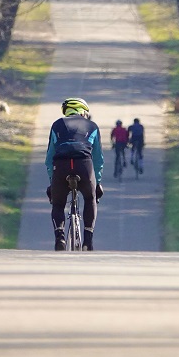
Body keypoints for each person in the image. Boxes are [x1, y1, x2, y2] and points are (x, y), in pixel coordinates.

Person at [45, 97, 104, 251]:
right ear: (83, 112)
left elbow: (49, 158)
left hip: (61, 165)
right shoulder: (92, 126)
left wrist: (53, 183)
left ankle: (60, 238)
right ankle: (88, 241)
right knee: (90, 198)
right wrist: (97, 183)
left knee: (58, 204)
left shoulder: (57, 125)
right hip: (84, 165)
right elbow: (98, 159)